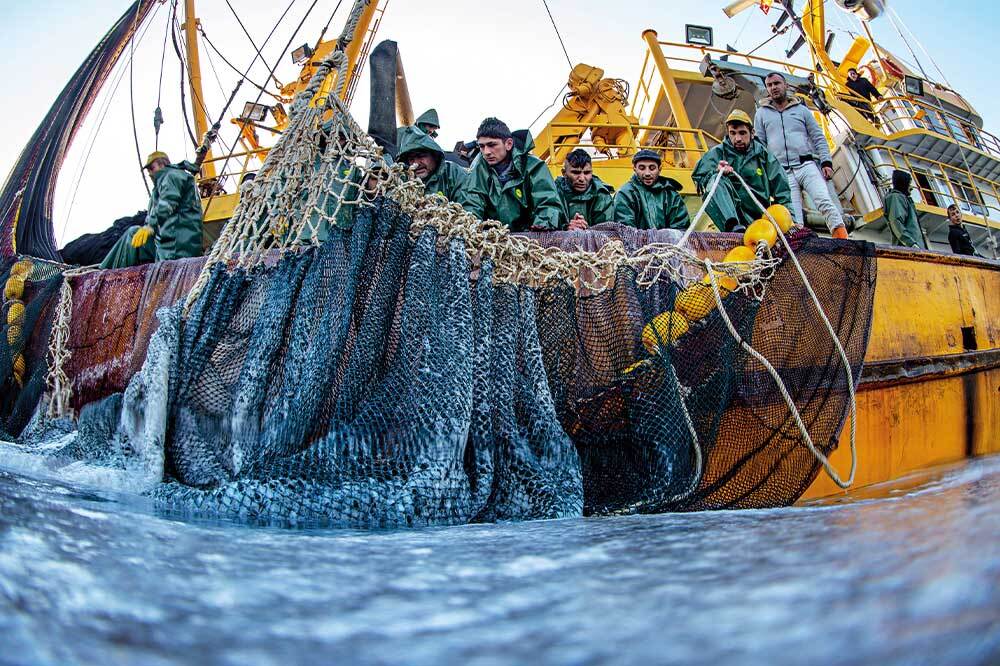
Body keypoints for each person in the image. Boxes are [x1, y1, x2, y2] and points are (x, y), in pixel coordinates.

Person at [754, 72, 849, 239]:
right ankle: (800, 247)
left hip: (806, 165)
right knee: (792, 215)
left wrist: (826, 162)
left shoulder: (802, 110)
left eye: (777, 83)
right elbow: (760, 144)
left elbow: (817, 136)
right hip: (782, 171)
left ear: (786, 86)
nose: (773, 87)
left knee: (824, 201)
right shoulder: (761, 114)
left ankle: (842, 239)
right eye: (769, 85)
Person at [692, 109, 792, 232]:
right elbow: (700, 181)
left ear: (752, 133)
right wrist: (716, 172)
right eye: (733, 133)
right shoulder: (717, 153)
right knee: (715, 180)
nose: (737, 138)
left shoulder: (764, 156)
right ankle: (732, 227)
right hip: (731, 219)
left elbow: (782, 191)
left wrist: (790, 223)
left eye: (742, 133)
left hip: (760, 220)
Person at [100, 151, 204, 269]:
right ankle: (107, 271)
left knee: (132, 233)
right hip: (170, 245)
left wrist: (150, 226)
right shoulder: (166, 182)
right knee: (135, 235)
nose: (149, 173)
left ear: (162, 165)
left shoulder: (172, 176)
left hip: (177, 249)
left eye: (151, 168)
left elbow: (167, 204)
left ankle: (106, 275)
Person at [458, 117, 564, 231]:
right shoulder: (477, 169)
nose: (486, 152)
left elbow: (549, 202)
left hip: (530, 235)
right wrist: (470, 228)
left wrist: (542, 224)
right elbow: (471, 204)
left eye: (492, 145)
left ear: (508, 144)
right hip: (492, 238)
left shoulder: (534, 167)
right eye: (482, 146)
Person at [612, 149, 690, 230]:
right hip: (634, 243)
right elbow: (625, 229)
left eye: (652, 168)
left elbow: (681, 228)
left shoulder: (671, 195)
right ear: (634, 169)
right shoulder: (625, 194)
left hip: (670, 243)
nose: (647, 173)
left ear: (659, 169)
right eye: (642, 168)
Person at [397, 126, 468, 201]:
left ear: (435, 156)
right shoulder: (402, 181)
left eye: (421, 156)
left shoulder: (453, 173)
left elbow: (470, 205)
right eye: (411, 159)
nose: (416, 164)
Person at [555, 149, 614, 230]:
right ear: (564, 173)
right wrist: (566, 228)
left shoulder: (602, 195)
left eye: (587, 173)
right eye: (576, 173)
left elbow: (608, 230)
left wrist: (587, 230)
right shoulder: (553, 193)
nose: (582, 178)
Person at [883, 169, 926, 249]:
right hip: (910, 249)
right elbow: (896, 222)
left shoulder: (902, 199)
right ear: (903, 184)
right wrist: (911, 244)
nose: (911, 188)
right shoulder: (896, 197)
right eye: (909, 184)